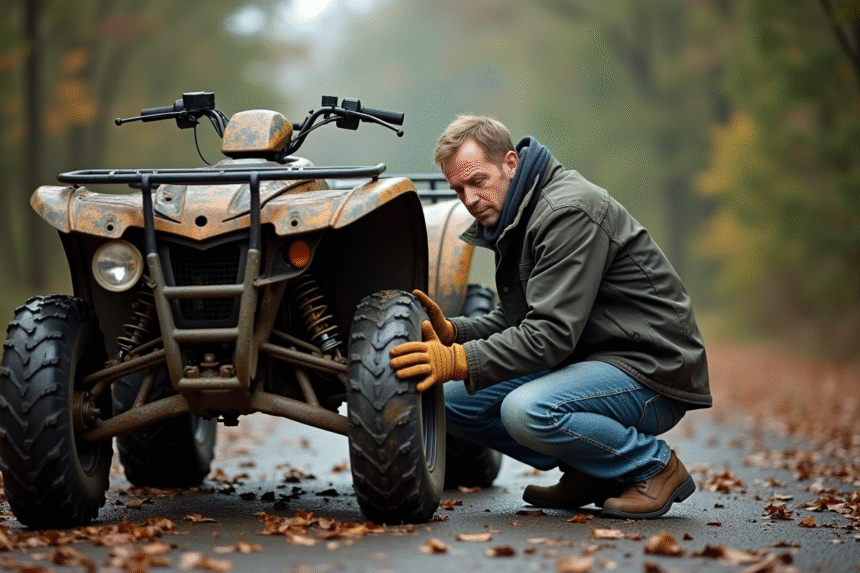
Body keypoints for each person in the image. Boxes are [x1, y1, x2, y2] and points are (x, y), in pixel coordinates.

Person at [389, 115, 711, 519]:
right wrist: (456, 332)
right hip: (593, 358)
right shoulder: (518, 214)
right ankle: (594, 469)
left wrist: (459, 359)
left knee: (527, 409)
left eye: (477, 181)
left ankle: (654, 467)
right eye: (458, 189)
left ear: (510, 163)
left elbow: (550, 335)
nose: (468, 199)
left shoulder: (566, 211)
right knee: (449, 401)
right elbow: (524, 318)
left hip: (651, 368)